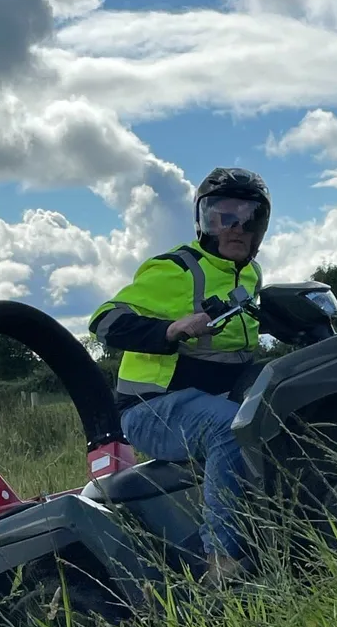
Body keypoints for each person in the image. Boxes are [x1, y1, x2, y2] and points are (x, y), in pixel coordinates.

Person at [89, 167, 271, 586]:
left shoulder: (250, 276)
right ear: (204, 222)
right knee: (230, 428)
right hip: (151, 408)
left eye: (248, 217)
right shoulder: (177, 270)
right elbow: (104, 319)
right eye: (223, 216)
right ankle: (221, 560)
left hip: (209, 397)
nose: (236, 227)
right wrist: (168, 330)